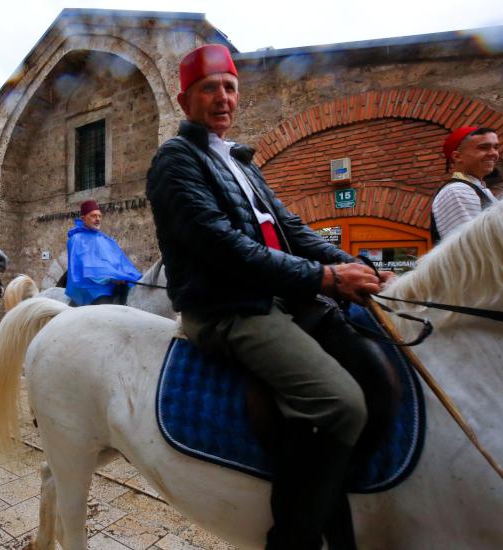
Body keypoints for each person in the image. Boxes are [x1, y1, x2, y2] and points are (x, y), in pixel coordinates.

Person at [146, 44, 392, 550]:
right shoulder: (175, 159)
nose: (223, 97)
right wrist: (324, 280)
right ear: (183, 99)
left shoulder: (239, 161)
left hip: (279, 297)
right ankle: (293, 536)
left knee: (378, 375)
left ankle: (337, 497)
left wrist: (352, 266)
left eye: (230, 87)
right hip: (227, 307)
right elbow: (222, 246)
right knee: (341, 404)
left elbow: (293, 228)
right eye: (209, 88)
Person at [65, 199, 142, 306]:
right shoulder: (77, 239)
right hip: (91, 288)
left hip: (112, 284)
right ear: (83, 219)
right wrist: (112, 278)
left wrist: (125, 275)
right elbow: (84, 267)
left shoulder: (105, 238)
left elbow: (119, 261)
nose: (97, 219)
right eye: (93, 216)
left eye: (99, 216)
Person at [430, 126, 500, 243]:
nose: (493, 153)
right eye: (483, 147)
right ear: (457, 156)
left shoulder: (478, 189)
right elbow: (473, 248)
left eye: (496, 147)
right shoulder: (458, 190)